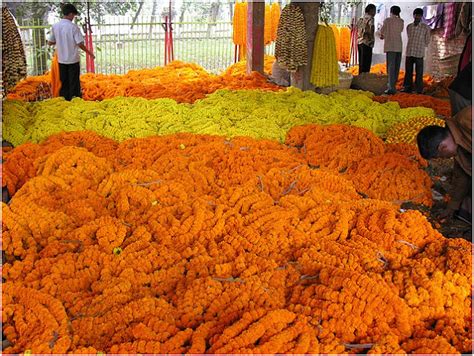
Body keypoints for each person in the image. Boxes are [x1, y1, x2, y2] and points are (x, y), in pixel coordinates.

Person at [417, 105, 472, 224]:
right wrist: (452, 206)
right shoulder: (459, 148)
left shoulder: (468, 119)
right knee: (465, 209)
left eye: (441, 156)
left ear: (442, 147)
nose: (446, 158)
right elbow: (462, 176)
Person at [47, 3, 95, 101]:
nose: (73, 17)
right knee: (74, 82)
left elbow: (50, 42)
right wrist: (89, 53)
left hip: (61, 60)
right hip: (73, 60)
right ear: (70, 14)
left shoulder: (55, 26)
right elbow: (80, 44)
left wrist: (60, 40)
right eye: (73, 15)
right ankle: (75, 100)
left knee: (64, 82)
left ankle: (64, 100)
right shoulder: (73, 27)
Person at [402, 8, 431, 94]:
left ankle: (418, 89)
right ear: (413, 15)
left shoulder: (425, 28)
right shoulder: (409, 26)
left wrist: (422, 46)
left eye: (419, 15)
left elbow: (427, 41)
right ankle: (407, 88)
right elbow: (409, 37)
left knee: (419, 73)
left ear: (421, 16)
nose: (417, 17)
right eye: (415, 15)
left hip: (419, 53)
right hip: (410, 52)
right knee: (408, 72)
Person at [379, 6, 404, 94]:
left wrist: (382, 36)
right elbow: (400, 30)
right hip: (398, 47)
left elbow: (381, 32)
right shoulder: (401, 21)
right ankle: (394, 86)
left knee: (390, 67)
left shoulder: (387, 20)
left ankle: (391, 87)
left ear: (391, 11)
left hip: (390, 47)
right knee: (396, 67)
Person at [357, 4, 376, 74]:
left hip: (359, 42)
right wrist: (371, 39)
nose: (375, 13)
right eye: (374, 10)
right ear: (371, 10)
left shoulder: (361, 18)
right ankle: (365, 79)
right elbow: (371, 29)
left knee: (361, 63)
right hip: (367, 43)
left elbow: (357, 28)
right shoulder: (371, 18)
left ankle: (360, 78)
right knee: (366, 63)